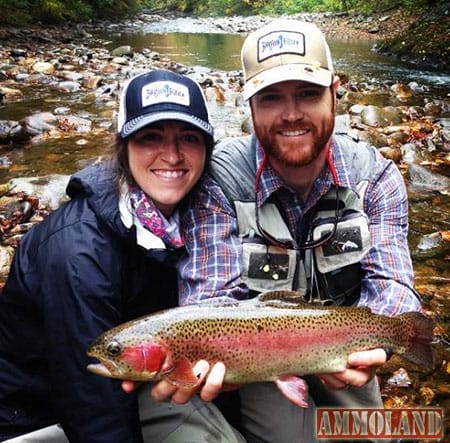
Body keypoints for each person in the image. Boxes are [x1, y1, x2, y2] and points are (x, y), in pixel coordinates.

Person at [167, 19, 423, 442]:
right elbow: (210, 298)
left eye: (307, 94)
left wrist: (380, 341)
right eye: (270, 98)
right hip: (262, 353)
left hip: (343, 339)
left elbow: (391, 281)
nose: (290, 115)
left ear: (335, 95)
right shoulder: (219, 182)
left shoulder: (375, 177)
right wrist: (215, 357)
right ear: (249, 105)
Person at [0, 69, 245, 443]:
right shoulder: (78, 256)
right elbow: (92, 407)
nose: (173, 155)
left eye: (188, 138)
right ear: (122, 145)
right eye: (150, 137)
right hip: (38, 418)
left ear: (207, 149)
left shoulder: (203, 214)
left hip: (137, 382)